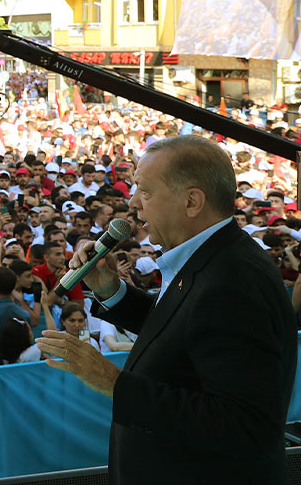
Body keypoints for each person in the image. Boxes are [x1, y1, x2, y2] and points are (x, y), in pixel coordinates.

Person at [38, 136, 297, 483]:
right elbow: (185, 329)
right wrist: (111, 291)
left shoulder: (232, 281)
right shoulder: (216, 257)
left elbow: (244, 425)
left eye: (145, 192)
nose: (133, 204)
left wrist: (115, 383)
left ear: (191, 201)